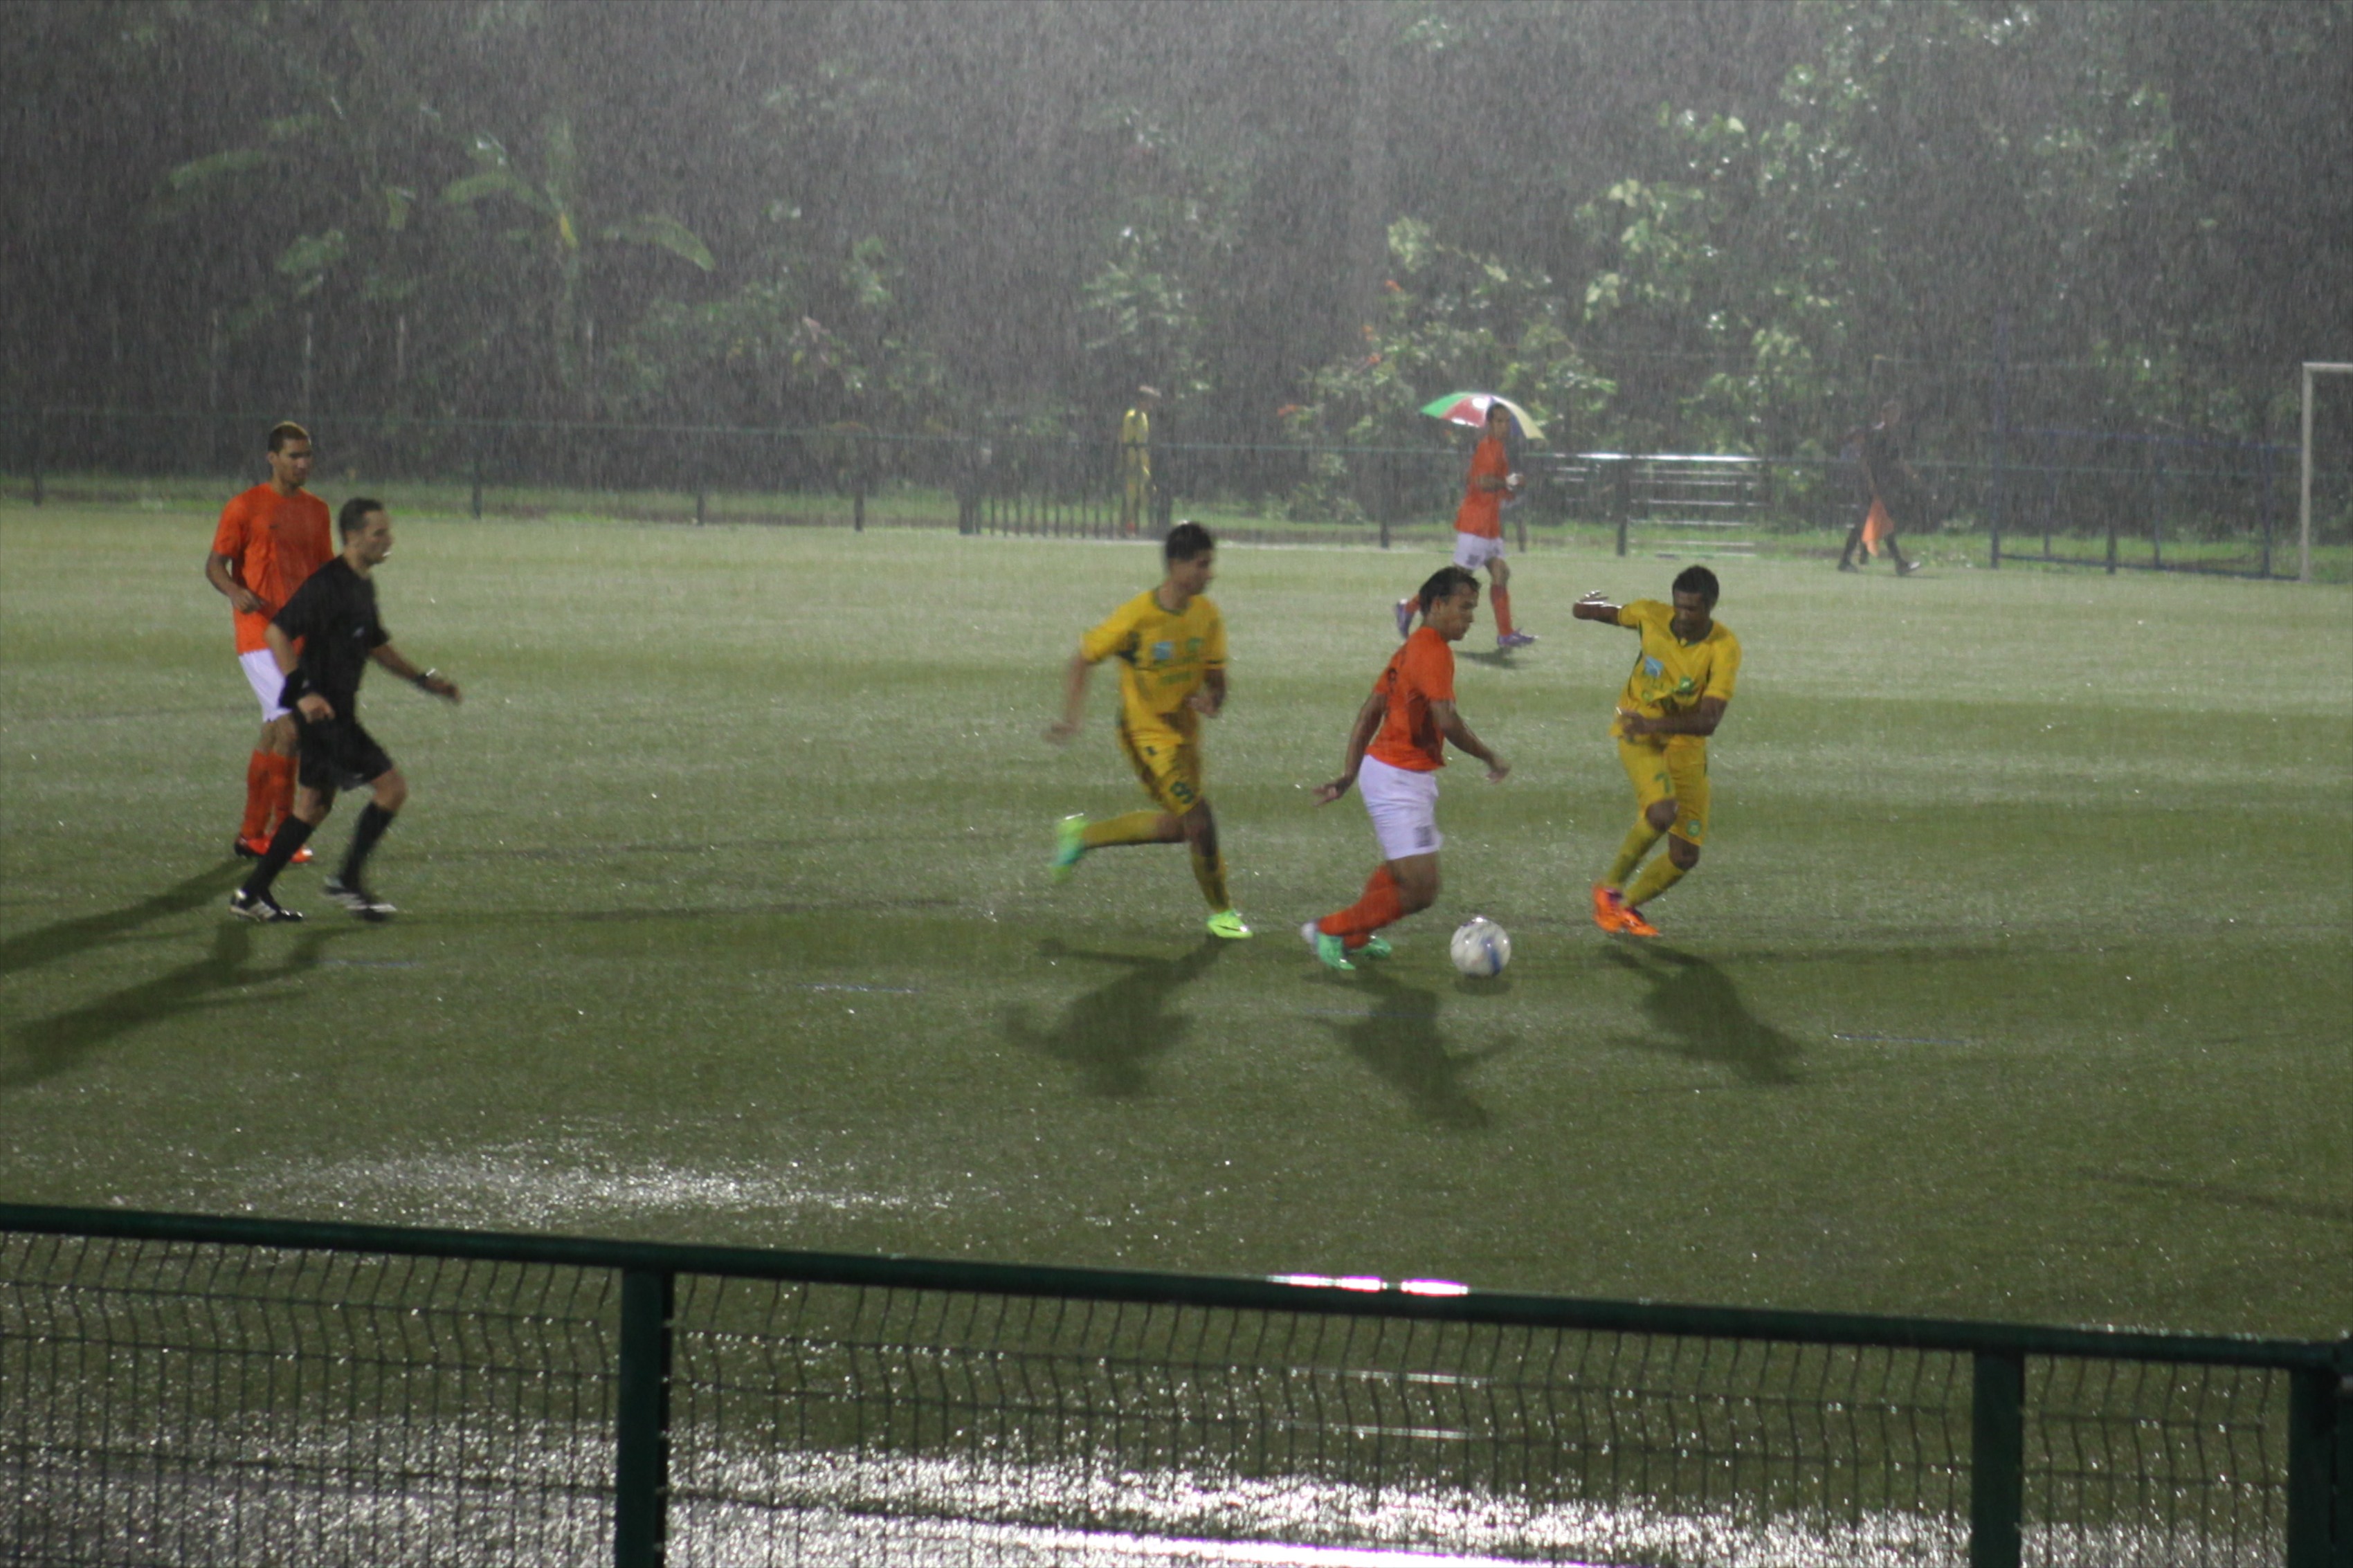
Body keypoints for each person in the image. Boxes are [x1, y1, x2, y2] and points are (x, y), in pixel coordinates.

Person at [228, 500, 461, 923]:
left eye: (388, 532)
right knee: (392, 789)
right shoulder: (328, 584)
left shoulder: (361, 584)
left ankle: (250, 894)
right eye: (378, 534)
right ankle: (347, 882)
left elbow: (376, 646)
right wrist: (302, 692)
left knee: (312, 807)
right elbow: (277, 632)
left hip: (335, 715)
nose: (387, 541)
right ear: (353, 537)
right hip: (326, 718)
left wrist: (424, 680)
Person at [1046, 520, 1249, 940]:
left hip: (1186, 733)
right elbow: (1083, 658)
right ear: (1175, 565)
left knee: (1182, 828)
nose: (1209, 573)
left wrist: (1215, 700)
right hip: (1147, 735)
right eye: (1202, 564)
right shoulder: (1138, 617)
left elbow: (1216, 674)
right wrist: (1072, 718)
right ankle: (1222, 913)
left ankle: (1082, 837)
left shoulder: (1206, 615)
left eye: (1211, 564)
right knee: (1200, 819)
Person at [1308, 565, 1509, 972]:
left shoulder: (1413, 647)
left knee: (1406, 871)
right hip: (1397, 778)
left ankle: (1356, 935)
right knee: (1421, 889)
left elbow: (1371, 710)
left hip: (1397, 773)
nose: (1471, 617)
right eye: (1465, 607)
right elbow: (1447, 720)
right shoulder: (1432, 650)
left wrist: (1351, 772)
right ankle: (1329, 930)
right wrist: (1489, 755)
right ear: (1438, 605)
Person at [1574, 565, 1741, 937]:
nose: (1682, 617)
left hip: (1683, 741)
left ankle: (1627, 908)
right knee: (1662, 811)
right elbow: (1610, 614)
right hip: (1637, 729)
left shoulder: (1724, 647)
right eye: (1678, 607)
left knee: (1685, 855)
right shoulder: (1652, 615)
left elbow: (1709, 719)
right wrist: (1583, 607)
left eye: (1692, 610)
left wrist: (1656, 726)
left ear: (1712, 606)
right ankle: (1609, 889)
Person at [206, 421, 334, 860]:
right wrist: (234, 590)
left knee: (273, 733)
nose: (303, 464)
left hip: (297, 639)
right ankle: (283, 836)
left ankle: (250, 835)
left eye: (307, 456)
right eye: (294, 456)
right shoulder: (245, 507)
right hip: (259, 635)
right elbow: (215, 566)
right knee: (292, 728)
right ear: (272, 458)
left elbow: (323, 573)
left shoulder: (317, 510)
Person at [1397, 401, 1532, 649]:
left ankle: (1505, 635)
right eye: (1499, 421)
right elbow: (1481, 482)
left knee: (1501, 574)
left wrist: (1512, 489)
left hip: (1490, 526)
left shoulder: (1499, 448)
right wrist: (1507, 481)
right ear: (1490, 424)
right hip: (1476, 525)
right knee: (1457, 581)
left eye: (1506, 421)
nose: (1504, 426)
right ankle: (1410, 607)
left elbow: (1498, 487)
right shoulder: (1486, 448)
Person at [1837, 401, 1924, 574]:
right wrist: (1870, 482)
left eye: (1897, 414)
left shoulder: (1892, 436)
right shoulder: (1876, 435)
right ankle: (1898, 563)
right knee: (1874, 522)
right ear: (1883, 415)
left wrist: (1912, 474)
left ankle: (1848, 561)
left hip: (1881, 484)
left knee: (1872, 522)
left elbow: (1897, 459)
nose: (1895, 418)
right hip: (1870, 485)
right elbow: (1864, 460)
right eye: (1891, 414)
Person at [1116, 385, 1159, 536]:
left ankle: (1129, 527)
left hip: (1142, 463)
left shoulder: (1143, 417)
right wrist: (1131, 462)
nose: (1151, 405)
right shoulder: (1132, 417)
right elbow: (1128, 441)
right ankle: (1126, 528)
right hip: (1133, 463)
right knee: (1132, 497)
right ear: (1141, 401)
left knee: (1140, 497)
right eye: (1149, 401)